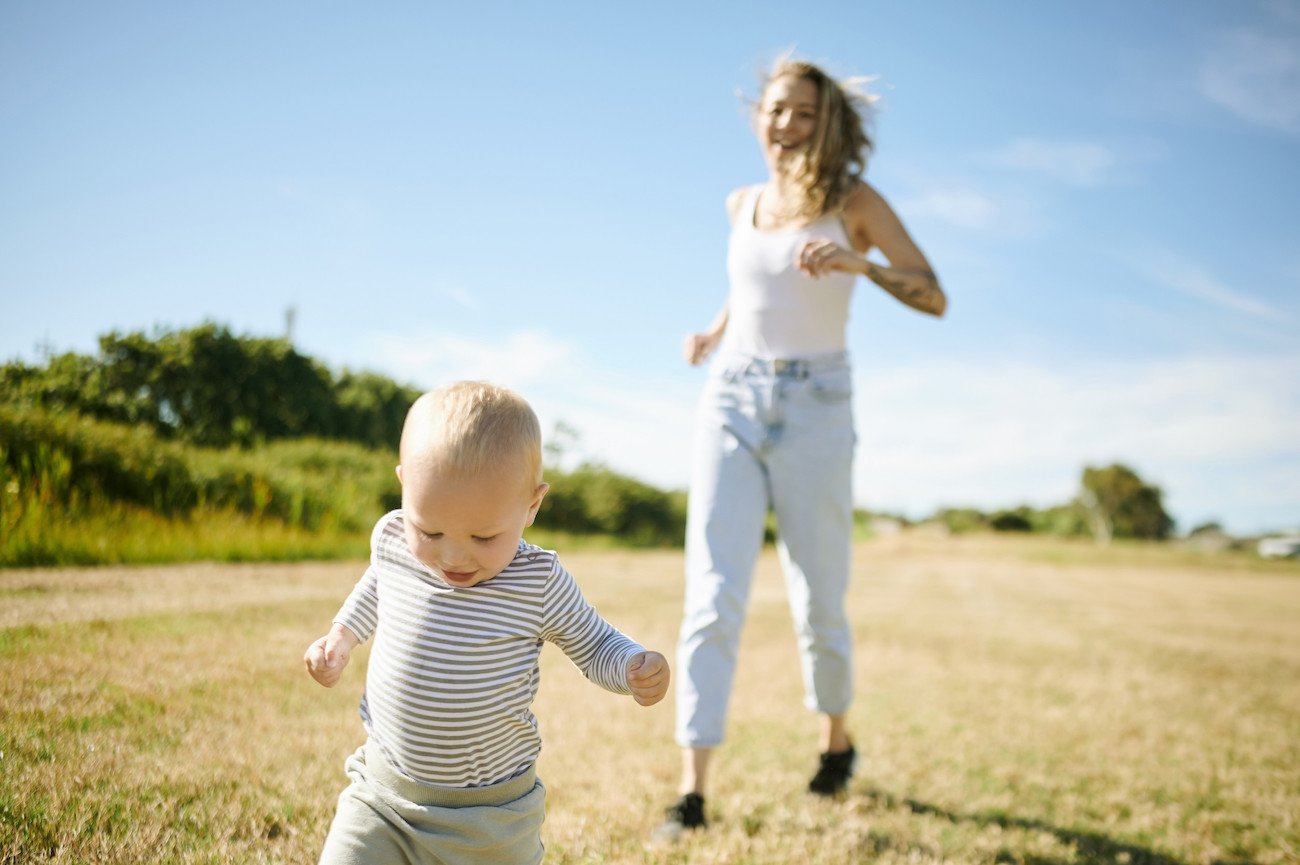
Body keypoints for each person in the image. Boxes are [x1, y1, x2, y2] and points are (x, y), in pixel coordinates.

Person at [656, 55, 945, 840]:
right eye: (777, 108)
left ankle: (835, 742)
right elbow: (753, 283)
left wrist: (860, 262)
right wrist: (714, 331)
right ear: (759, 115)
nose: (786, 123)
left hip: (818, 403)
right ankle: (691, 792)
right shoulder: (741, 203)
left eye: (805, 113)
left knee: (819, 598)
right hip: (732, 396)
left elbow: (933, 293)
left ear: (829, 125)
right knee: (712, 592)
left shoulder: (855, 202)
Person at [305, 380, 670, 865]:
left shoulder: (536, 580)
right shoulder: (393, 539)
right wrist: (342, 636)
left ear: (532, 506)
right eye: (430, 530)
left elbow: (594, 641)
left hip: (490, 820)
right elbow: (377, 587)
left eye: (484, 537)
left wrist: (630, 666)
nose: (453, 556)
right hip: (382, 796)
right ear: (405, 486)